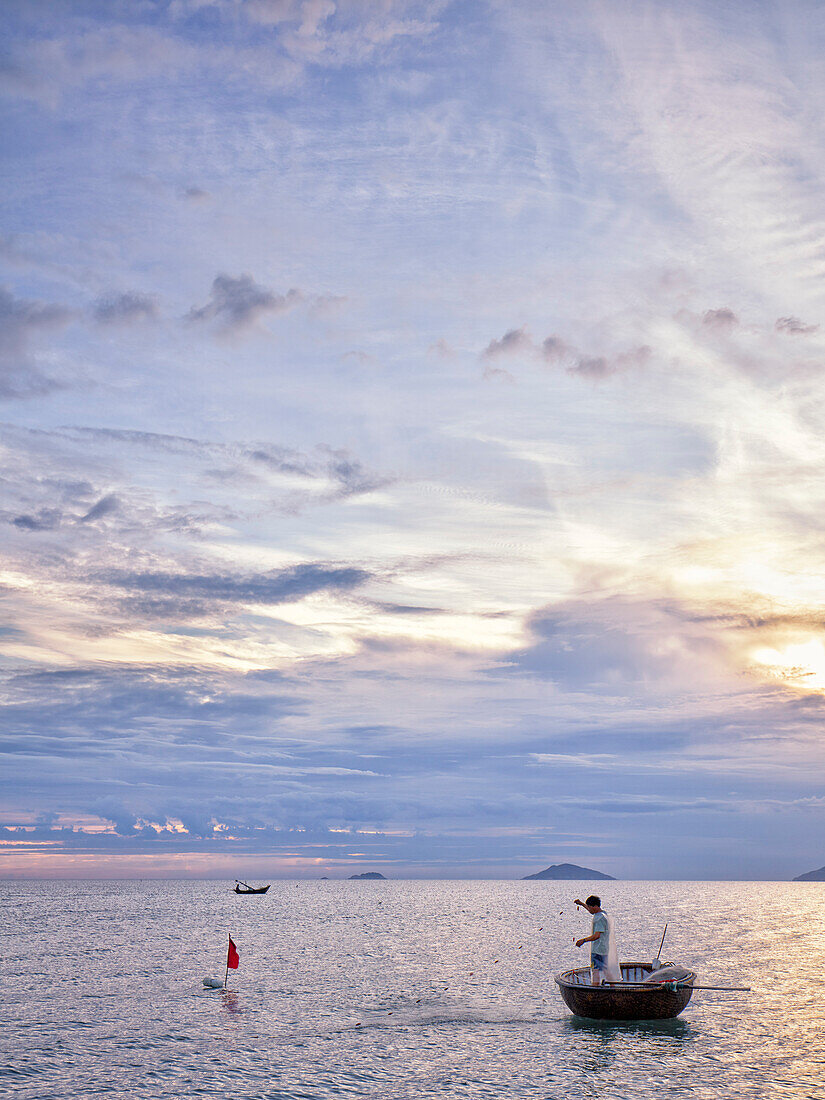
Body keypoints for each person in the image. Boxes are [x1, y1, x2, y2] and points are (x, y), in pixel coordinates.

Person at [574, 895, 610, 985]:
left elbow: (596, 935)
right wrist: (582, 904)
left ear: (595, 906)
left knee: (595, 970)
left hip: (597, 950)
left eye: (589, 907)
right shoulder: (603, 914)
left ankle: (595, 987)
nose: (589, 909)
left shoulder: (599, 919)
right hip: (604, 949)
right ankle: (612, 986)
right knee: (605, 970)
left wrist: (583, 940)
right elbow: (591, 911)